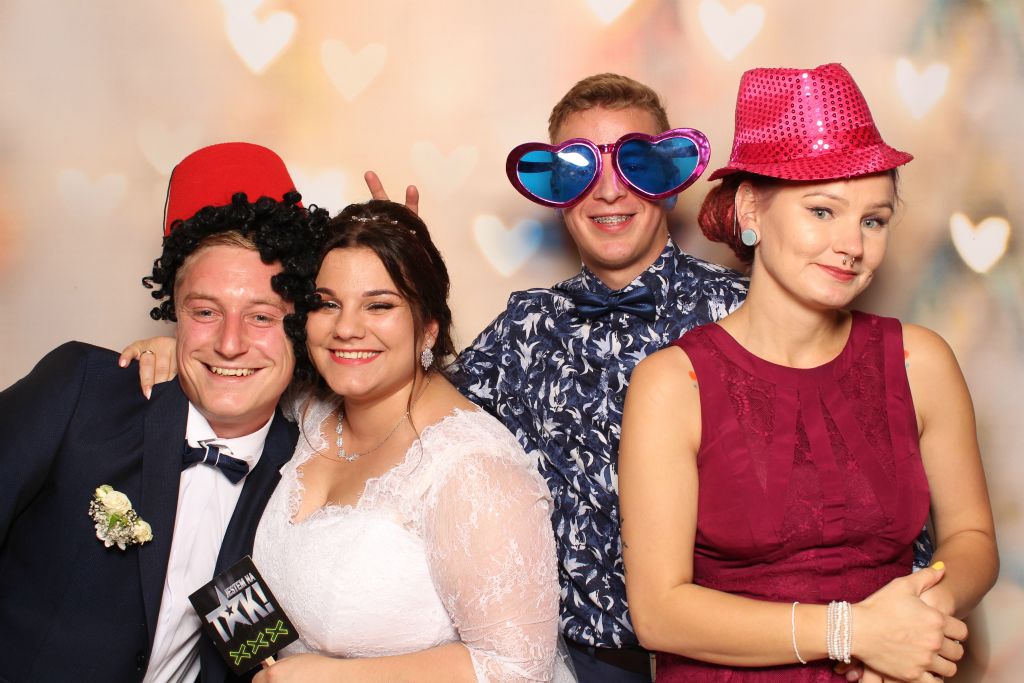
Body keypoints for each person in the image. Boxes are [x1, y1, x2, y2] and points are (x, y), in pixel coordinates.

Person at [618, 63, 998, 682]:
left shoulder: (920, 361)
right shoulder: (673, 385)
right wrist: (855, 632)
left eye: (873, 220)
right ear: (751, 210)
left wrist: (919, 619)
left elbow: (974, 536)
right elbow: (660, 613)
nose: (853, 244)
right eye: (823, 211)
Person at [447, 74, 748, 681]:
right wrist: (399, 286)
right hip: (578, 667)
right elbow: (413, 424)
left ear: (669, 179)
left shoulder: (747, 313)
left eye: (634, 165)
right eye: (581, 171)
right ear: (558, 191)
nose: (609, 191)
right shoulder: (525, 326)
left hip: (735, 656)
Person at [0, 142, 324, 682]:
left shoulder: (303, 470)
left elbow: (254, 654)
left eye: (262, 317)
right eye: (205, 312)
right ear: (174, 312)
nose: (229, 344)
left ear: (302, 325)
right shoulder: (83, 392)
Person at [247, 200, 571, 682]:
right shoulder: (312, 409)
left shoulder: (473, 468)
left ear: (429, 328)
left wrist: (330, 679)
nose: (346, 329)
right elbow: (239, 372)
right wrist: (174, 351)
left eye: (379, 305)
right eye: (327, 303)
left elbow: (518, 667)